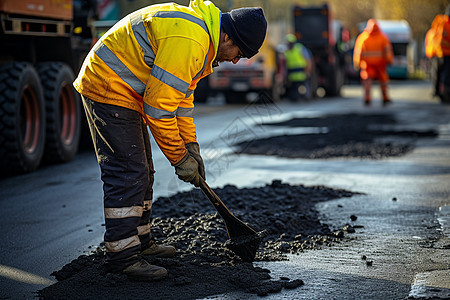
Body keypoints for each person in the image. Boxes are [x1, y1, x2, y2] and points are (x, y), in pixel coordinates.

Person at [73, 0, 267, 281]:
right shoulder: (191, 39)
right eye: (239, 53)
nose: (236, 61)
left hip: (128, 92)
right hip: (108, 85)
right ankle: (123, 256)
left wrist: (191, 147)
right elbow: (159, 109)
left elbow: (181, 103)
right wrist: (179, 158)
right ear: (227, 37)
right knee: (129, 170)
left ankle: (141, 241)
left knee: (144, 171)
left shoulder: (203, 42)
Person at [353, 19, 394, 106]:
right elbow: (387, 51)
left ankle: (367, 98)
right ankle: (385, 97)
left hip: (368, 65)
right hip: (379, 64)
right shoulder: (383, 38)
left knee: (367, 81)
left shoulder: (363, 38)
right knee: (383, 81)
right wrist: (389, 61)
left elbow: (358, 52)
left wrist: (357, 63)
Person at [284, 33, 313, 100]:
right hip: (292, 77)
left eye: (290, 43)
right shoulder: (287, 51)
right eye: (288, 43)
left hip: (302, 74)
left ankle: (306, 97)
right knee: (294, 92)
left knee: (305, 89)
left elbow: (308, 61)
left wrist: (308, 71)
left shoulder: (299, 48)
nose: (289, 44)